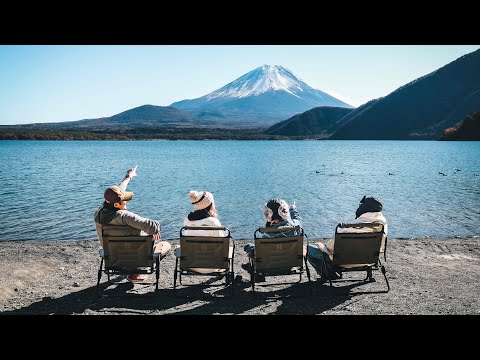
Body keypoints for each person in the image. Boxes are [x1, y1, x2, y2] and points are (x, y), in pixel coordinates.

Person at [94, 165, 171, 283]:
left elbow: (119, 190)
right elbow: (152, 226)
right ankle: (135, 272)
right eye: (124, 200)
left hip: (113, 258)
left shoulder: (99, 213)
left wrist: (128, 177)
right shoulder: (125, 217)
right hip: (136, 258)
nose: (126, 202)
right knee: (165, 245)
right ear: (116, 205)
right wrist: (156, 229)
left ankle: (132, 272)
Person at [306, 195, 387, 281]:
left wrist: (322, 247)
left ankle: (328, 274)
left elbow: (330, 249)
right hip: (369, 261)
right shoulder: (382, 226)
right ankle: (369, 275)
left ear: (363, 209)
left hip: (343, 262)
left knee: (309, 248)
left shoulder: (346, 228)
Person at [242, 199, 302, 279]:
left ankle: (253, 268)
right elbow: (297, 219)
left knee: (249, 247)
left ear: (269, 214)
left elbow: (260, 251)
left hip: (269, 266)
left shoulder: (267, 232)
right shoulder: (295, 226)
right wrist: (293, 209)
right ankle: (251, 266)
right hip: (290, 264)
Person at [175, 190, 227, 273]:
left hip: (191, 265)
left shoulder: (187, 221)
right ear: (210, 204)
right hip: (213, 266)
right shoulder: (213, 222)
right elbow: (222, 245)